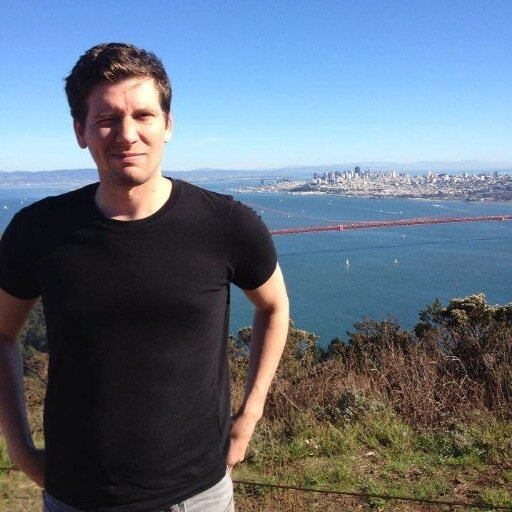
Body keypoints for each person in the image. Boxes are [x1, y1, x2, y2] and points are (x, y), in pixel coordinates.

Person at [0, 43, 289, 512]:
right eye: (107, 119)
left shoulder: (227, 224)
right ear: (80, 131)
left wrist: (250, 414)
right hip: (75, 496)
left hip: (198, 495)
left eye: (144, 115)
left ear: (168, 124)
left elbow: (274, 306)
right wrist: (19, 447)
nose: (127, 134)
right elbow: (2, 332)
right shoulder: (37, 231)